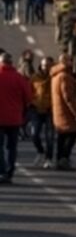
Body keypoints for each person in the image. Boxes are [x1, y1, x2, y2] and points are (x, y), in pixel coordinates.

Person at [0, 52, 33, 183]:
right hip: (14, 118)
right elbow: (29, 98)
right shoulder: (19, 78)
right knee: (12, 147)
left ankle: (1, 171)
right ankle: (10, 171)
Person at [50, 52, 76, 170]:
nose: (72, 63)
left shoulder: (55, 75)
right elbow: (68, 97)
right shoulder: (65, 77)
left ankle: (59, 159)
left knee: (61, 137)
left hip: (58, 111)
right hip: (66, 112)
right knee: (71, 135)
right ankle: (64, 158)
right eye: (70, 60)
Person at [29, 56, 54, 169]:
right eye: (44, 65)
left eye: (48, 65)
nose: (46, 68)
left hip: (50, 110)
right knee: (34, 134)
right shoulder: (34, 78)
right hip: (36, 109)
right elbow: (29, 91)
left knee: (50, 136)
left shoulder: (54, 77)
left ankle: (48, 158)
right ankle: (40, 151)